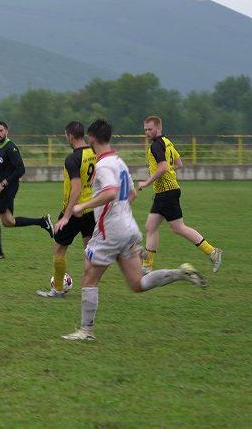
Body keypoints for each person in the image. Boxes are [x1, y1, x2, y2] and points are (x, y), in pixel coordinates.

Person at [61, 119, 206, 342]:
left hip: (110, 233)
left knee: (89, 279)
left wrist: (82, 206)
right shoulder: (119, 162)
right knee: (137, 283)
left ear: (91, 139)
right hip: (128, 229)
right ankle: (180, 273)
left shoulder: (104, 166)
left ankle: (86, 331)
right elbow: (131, 194)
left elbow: (110, 192)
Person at [138, 116, 222, 273]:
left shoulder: (156, 146)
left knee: (178, 228)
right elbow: (178, 164)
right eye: (145, 130)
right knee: (151, 227)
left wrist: (147, 182)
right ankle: (147, 266)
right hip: (165, 192)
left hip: (166, 192)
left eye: (150, 129)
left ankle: (212, 252)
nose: (147, 133)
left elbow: (163, 167)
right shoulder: (167, 142)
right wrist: (164, 172)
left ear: (159, 128)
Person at [37, 121, 97, 298]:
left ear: (70, 136)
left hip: (74, 210)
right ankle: (91, 287)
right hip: (91, 208)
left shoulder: (72, 158)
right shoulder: (94, 153)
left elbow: (76, 188)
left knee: (59, 250)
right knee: (90, 250)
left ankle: (57, 290)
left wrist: (67, 215)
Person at [0, 121, 51, 259]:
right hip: (3, 188)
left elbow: (21, 169)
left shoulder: (11, 148)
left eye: (1, 130)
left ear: (7, 131)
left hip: (8, 188)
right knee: (8, 221)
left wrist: (3, 184)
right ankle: (42, 222)